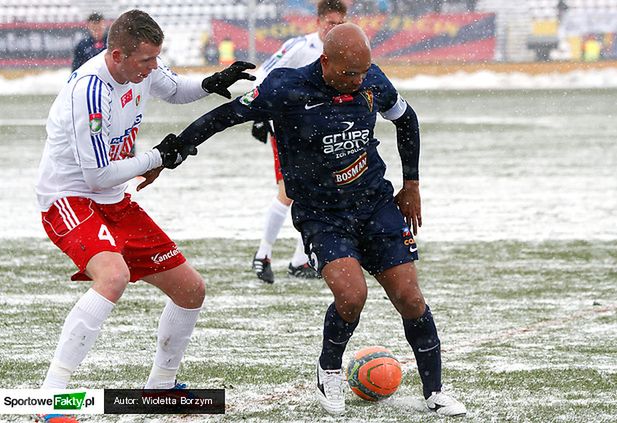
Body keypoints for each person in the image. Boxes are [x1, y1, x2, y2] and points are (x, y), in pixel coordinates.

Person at [140, 23, 467, 418]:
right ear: (325, 61)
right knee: (351, 296)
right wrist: (171, 155)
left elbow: (407, 119)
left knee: (411, 299)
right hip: (322, 215)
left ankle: (435, 392)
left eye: (363, 72)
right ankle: (329, 368)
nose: (357, 82)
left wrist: (411, 184)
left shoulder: (371, 80)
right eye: (349, 74)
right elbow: (223, 117)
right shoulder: (285, 88)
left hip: (375, 205)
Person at [35, 9, 254, 423]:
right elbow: (96, 174)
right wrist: (157, 156)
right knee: (113, 277)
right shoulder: (90, 91)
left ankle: (160, 389)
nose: (154, 68)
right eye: (146, 61)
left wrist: (212, 82)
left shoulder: (140, 66)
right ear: (117, 55)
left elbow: (174, 89)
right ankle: (50, 399)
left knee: (191, 290)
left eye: (156, 58)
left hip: (114, 200)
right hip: (69, 198)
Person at [250, 0, 347, 283]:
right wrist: (259, 115)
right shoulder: (300, 46)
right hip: (288, 128)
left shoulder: (341, 51)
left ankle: (300, 261)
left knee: (320, 191)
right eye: (330, 23)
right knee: (289, 190)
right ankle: (263, 255)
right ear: (318, 22)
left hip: (320, 131)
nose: (335, 29)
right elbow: (265, 74)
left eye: (340, 24)